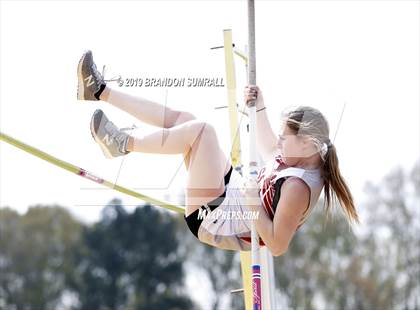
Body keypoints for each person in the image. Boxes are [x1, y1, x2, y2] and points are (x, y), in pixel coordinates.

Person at [77, 50, 359, 256]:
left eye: (287, 137)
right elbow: (269, 147)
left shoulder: (298, 187)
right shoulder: (297, 156)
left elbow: (277, 245)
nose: (281, 140)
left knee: (202, 132)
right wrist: (259, 106)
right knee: (186, 121)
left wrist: (253, 204)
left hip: (216, 220)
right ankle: (100, 91)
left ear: (309, 144)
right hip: (233, 194)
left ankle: (123, 143)